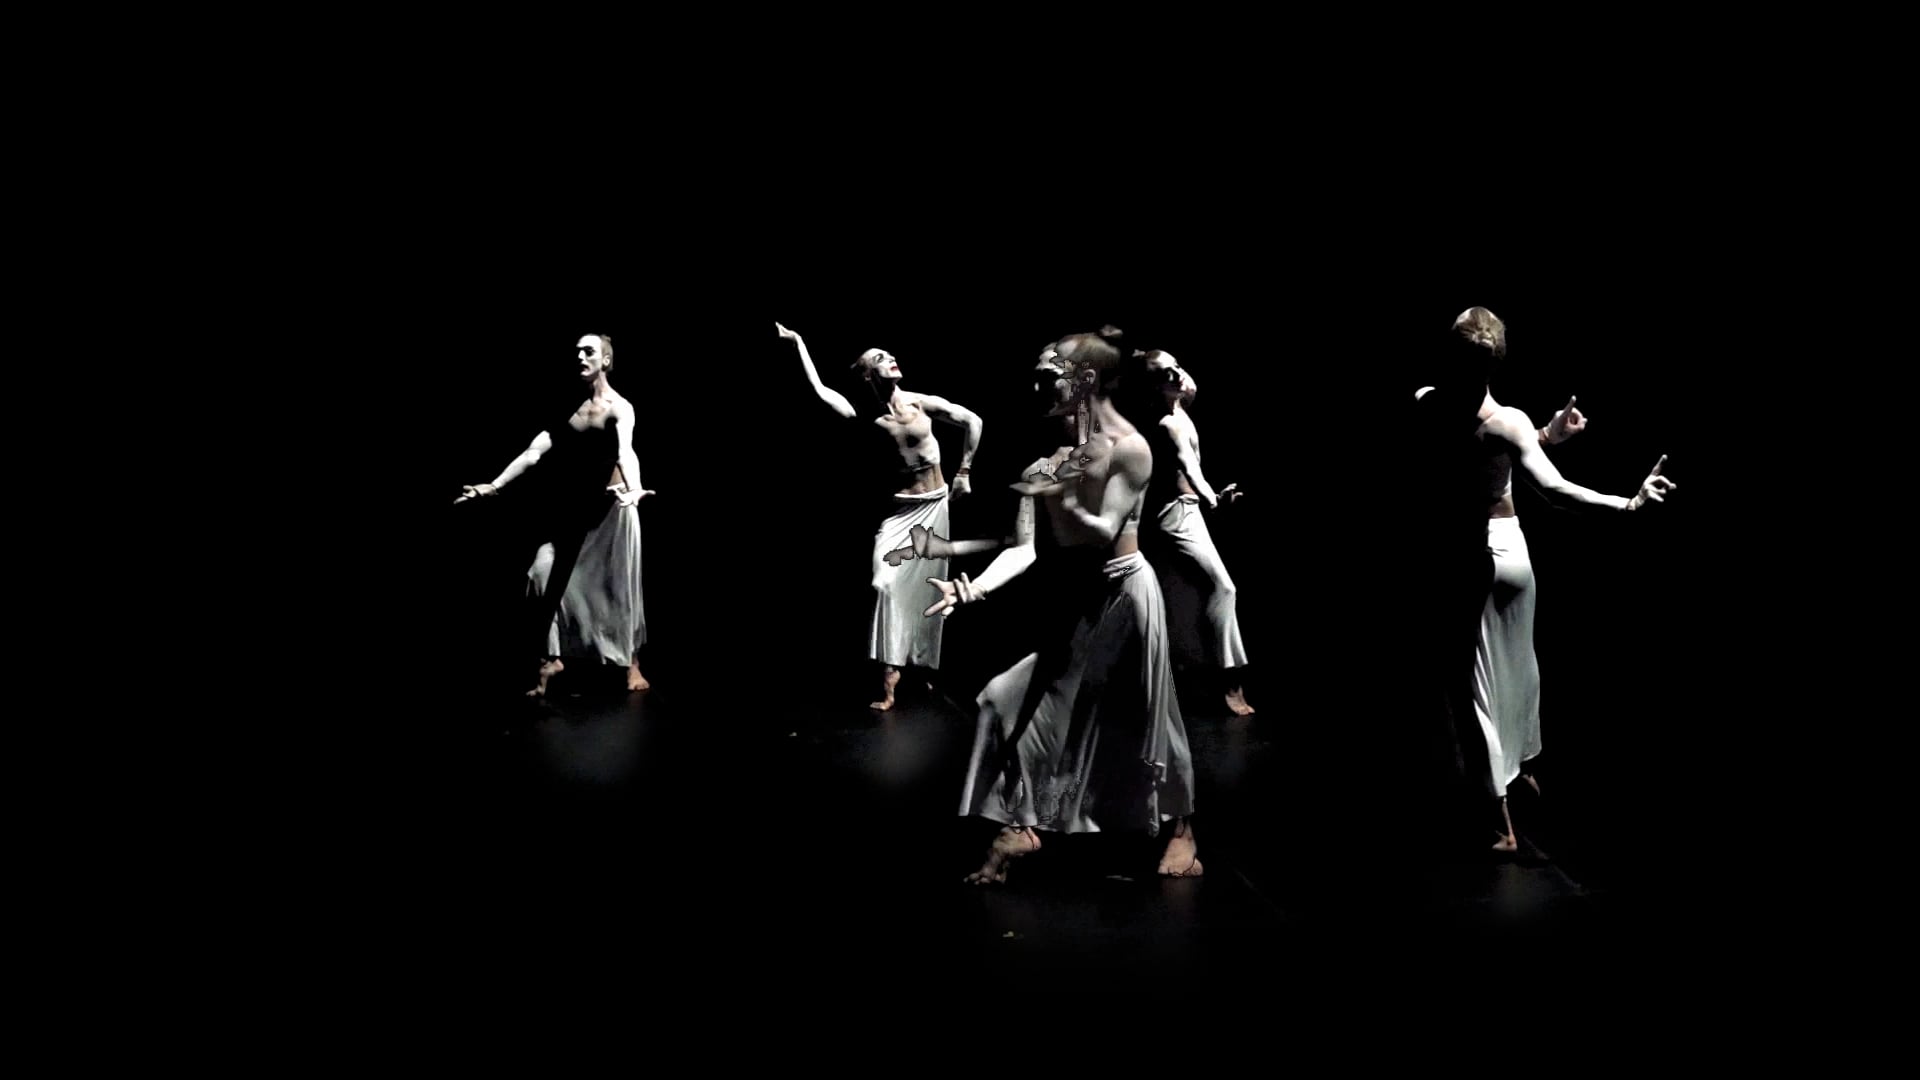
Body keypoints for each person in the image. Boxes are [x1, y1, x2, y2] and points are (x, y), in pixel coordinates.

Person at [926, 328, 1200, 885]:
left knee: (1149, 718)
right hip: (1082, 603)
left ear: (1085, 380)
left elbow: (1102, 531)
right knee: (999, 699)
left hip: (1126, 596)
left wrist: (1059, 489)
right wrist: (973, 588)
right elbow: (1023, 550)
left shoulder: (1131, 448)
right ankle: (1025, 824)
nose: (1036, 385)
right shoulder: (1047, 462)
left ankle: (1181, 833)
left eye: (1048, 375)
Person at [1423, 307, 1676, 852]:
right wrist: (1626, 504)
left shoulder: (1426, 405)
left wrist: (1544, 437)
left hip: (1467, 559)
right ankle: (1525, 772)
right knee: (1517, 668)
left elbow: (1475, 456)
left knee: (1470, 690)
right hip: (1513, 557)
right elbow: (1549, 486)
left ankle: (1499, 821)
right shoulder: (1508, 421)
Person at [776, 322, 983, 710]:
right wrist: (799, 342)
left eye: (889, 355)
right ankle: (891, 672)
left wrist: (965, 472)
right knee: (884, 583)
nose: (890, 360)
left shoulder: (921, 403)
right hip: (901, 511)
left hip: (936, 505)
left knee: (927, 591)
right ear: (869, 374)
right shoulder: (865, 414)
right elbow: (820, 391)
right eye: (880, 359)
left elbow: (973, 421)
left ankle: (908, 675)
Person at [460, 333, 654, 696]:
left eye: (589, 351)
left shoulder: (619, 407)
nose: (580, 356)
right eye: (577, 351)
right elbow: (535, 452)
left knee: (620, 588)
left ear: (606, 360)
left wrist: (635, 488)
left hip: (616, 510)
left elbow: (627, 451)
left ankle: (632, 665)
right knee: (540, 572)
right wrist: (495, 484)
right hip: (580, 510)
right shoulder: (571, 407)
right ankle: (552, 658)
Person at [1137, 349, 1254, 716]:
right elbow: (1190, 467)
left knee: (1185, 599)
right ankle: (1229, 680)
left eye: (1177, 368)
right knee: (1223, 587)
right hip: (1174, 517)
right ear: (1154, 386)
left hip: (1189, 512)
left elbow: (1189, 385)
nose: (1176, 375)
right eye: (1165, 373)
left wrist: (1170, 369)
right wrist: (1213, 498)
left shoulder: (1180, 405)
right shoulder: (1167, 424)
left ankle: (1191, 671)